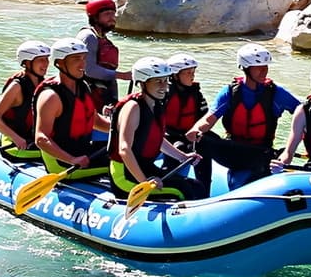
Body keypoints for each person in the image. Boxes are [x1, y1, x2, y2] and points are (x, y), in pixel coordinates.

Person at [187, 43, 301, 191]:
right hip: (234, 151)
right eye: (258, 67)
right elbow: (209, 119)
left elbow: (304, 114)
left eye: (266, 66)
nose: (264, 71)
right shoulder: (230, 92)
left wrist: (288, 151)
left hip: (261, 153)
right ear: (246, 68)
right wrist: (196, 129)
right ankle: (203, 191)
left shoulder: (276, 93)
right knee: (202, 138)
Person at [111, 57, 204, 200]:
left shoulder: (156, 105)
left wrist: (183, 157)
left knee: (196, 186)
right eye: (158, 81)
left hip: (145, 167)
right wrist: (144, 182)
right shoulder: (133, 108)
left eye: (165, 81)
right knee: (183, 190)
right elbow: (124, 149)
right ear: (143, 83)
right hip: (125, 175)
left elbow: (157, 140)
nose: (164, 86)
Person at [33, 39, 108, 175]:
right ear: (60, 63)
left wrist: (122, 127)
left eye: (84, 58)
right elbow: (41, 138)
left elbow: (95, 121)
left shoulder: (82, 87)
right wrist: (71, 159)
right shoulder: (51, 97)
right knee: (123, 161)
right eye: (76, 59)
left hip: (83, 151)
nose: (83, 64)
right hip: (64, 164)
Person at [0, 40, 51, 160]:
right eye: (41, 60)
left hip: (34, 139)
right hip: (19, 144)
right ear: (27, 62)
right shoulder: (17, 87)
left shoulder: (43, 83)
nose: (46, 63)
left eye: (47, 59)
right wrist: (16, 138)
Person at [161, 52, 209, 192]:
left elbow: (204, 114)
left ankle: (205, 188)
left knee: (206, 144)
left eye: (193, 72)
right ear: (175, 75)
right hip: (168, 135)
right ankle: (168, 184)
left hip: (189, 134)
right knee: (179, 146)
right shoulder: (165, 93)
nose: (192, 76)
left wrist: (198, 132)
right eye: (188, 73)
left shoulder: (195, 92)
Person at [75, 0, 130, 108]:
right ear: (95, 17)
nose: (112, 18)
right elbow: (89, 70)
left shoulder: (102, 37)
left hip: (103, 94)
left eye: (113, 14)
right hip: (91, 96)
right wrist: (122, 75)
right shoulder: (89, 36)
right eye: (107, 14)